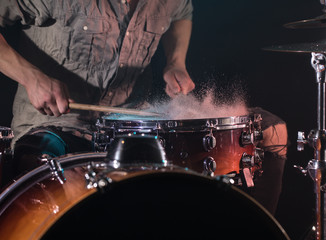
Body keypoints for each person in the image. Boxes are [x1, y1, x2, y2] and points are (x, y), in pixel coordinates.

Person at [0, 0, 288, 215]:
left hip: (133, 127)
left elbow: (181, 13)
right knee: (78, 196)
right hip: (57, 126)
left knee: (271, 130)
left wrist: (175, 61)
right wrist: (31, 77)